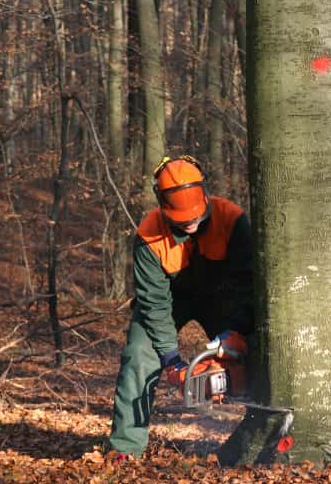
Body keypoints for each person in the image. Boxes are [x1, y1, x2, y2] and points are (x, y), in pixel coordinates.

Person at [108, 155, 254, 461]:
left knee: (257, 342)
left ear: (204, 193)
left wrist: (236, 330)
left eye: (194, 216)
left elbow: (248, 282)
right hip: (171, 300)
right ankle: (125, 447)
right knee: (138, 355)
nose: (189, 222)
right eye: (181, 218)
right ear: (163, 205)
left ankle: (263, 431)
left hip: (222, 295)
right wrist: (172, 360)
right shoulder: (149, 236)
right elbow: (154, 303)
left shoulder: (232, 219)